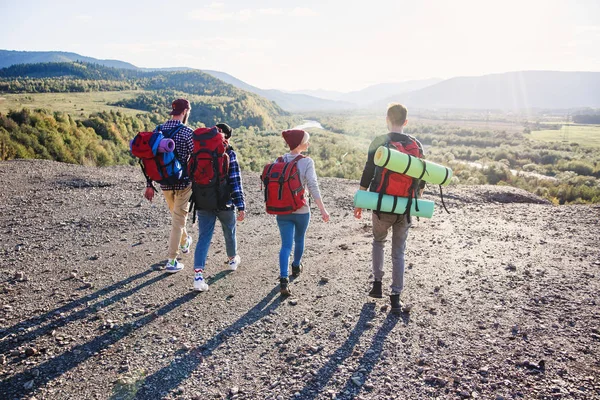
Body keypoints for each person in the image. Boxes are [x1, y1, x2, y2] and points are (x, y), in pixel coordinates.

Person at [354, 103, 425, 314]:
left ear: (387, 119)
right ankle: (396, 297)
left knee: (378, 241)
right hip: (405, 206)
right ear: (406, 121)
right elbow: (422, 177)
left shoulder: (379, 142)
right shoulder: (416, 145)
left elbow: (368, 172)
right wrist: (416, 199)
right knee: (399, 252)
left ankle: (377, 284)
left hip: (381, 204)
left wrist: (360, 200)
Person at [192, 123, 246, 292]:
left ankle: (198, 276)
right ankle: (232, 260)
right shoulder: (229, 152)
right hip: (225, 202)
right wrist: (241, 205)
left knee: (203, 237)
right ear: (227, 137)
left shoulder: (199, 151)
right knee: (229, 230)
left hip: (203, 200)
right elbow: (235, 182)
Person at [276, 129, 329, 296]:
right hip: (301, 209)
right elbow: (313, 186)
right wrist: (322, 209)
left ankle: (283, 279)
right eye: (307, 141)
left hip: (282, 210)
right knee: (299, 239)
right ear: (299, 144)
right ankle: (296, 266)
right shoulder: (307, 162)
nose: (308, 143)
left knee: (285, 245)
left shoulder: (279, 160)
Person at [143, 99, 194, 273]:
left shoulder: (158, 130)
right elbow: (194, 158)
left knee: (177, 217)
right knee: (178, 221)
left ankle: (185, 241)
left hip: (163, 182)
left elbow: (149, 158)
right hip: (183, 183)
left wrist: (149, 183)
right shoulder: (187, 132)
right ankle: (172, 261)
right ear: (186, 111)